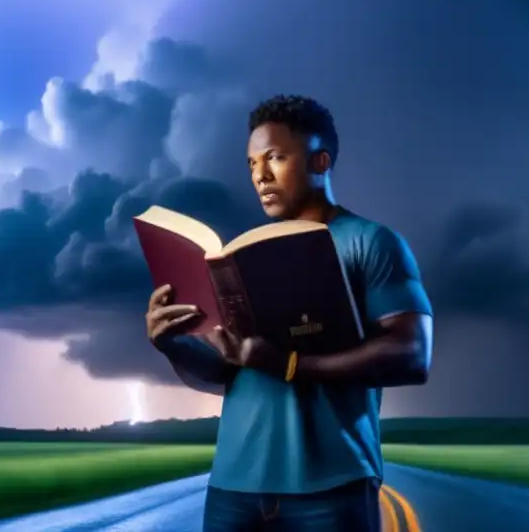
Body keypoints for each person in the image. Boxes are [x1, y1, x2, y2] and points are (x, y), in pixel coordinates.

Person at [145, 94, 433, 531]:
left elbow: (412, 355)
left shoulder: (372, 241)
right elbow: (223, 374)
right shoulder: (243, 258)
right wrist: (171, 345)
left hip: (332, 487)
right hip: (232, 487)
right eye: (251, 164)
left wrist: (290, 364)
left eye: (275, 158)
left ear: (320, 162)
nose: (260, 176)